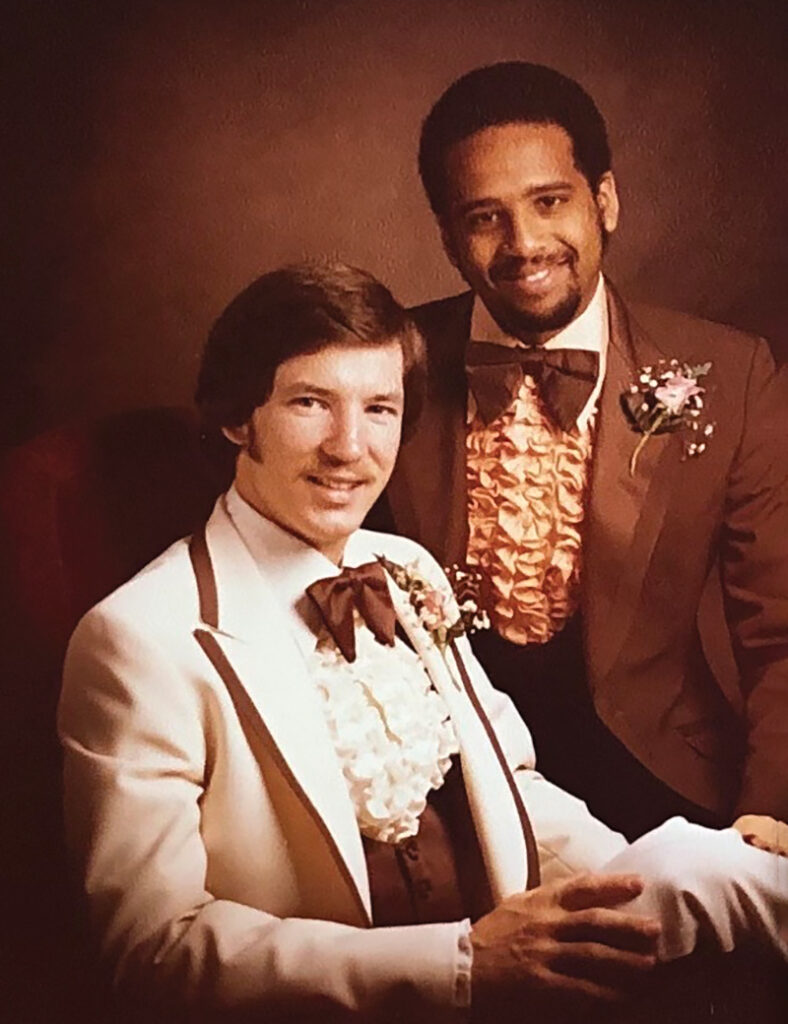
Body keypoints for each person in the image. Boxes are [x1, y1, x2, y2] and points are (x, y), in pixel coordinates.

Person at [59, 261, 787, 1022]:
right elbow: (152, 951)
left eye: (379, 408)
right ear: (239, 418)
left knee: (721, 874)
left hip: (520, 988)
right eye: (311, 402)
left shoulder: (407, 570)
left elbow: (511, 790)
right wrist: (464, 965)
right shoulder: (136, 638)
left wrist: (626, 891)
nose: (350, 447)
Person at [373, 61, 788, 842]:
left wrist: (767, 816)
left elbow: (782, 635)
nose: (525, 245)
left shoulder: (731, 376)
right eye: (484, 217)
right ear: (449, 239)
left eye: (550, 202)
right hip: (448, 789)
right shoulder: (390, 362)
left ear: (605, 200)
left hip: (666, 787)